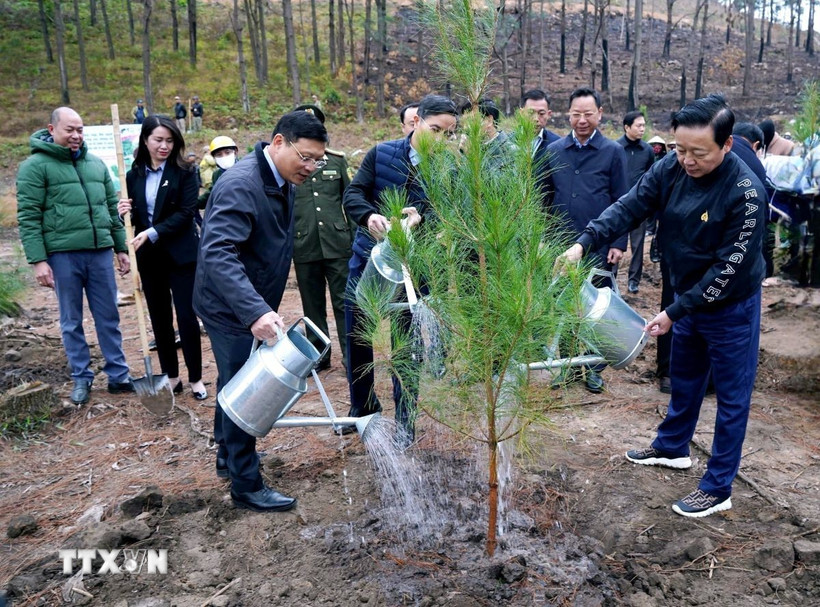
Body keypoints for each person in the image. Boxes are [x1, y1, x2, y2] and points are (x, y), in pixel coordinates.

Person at [561, 94, 766, 518]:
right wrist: (585, 243)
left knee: (731, 396)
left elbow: (726, 271)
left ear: (726, 145)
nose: (687, 160)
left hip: (730, 305)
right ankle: (673, 446)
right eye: (680, 149)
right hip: (684, 290)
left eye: (699, 153)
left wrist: (674, 311)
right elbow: (631, 205)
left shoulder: (746, 194)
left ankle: (718, 485)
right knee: (683, 375)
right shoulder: (672, 166)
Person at [194, 111, 328, 513]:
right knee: (245, 390)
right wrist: (254, 311)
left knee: (232, 379)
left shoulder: (280, 177)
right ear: (278, 143)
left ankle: (227, 458)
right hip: (229, 306)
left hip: (247, 299)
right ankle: (245, 483)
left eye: (318, 160)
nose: (311, 167)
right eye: (305, 157)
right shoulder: (242, 183)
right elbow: (217, 251)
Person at [342, 94, 459, 443]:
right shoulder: (381, 154)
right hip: (368, 260)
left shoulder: (447, 168)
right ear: (417, 121)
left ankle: (406, 422)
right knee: (357, 339)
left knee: (406, 347)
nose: (440, 139)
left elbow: (450, 215)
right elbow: (353, 195)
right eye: (435, 129)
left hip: (414, 270)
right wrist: (369, 216)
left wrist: (426, 220)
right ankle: (362, 411)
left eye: (448, 134)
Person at [16, 107, 134, 405]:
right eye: (69, 129)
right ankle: (81, 378)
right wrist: (38, 260)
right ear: (51, 129)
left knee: (108, 316)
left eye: (80, 130)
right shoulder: (35, 167)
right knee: (71, 320)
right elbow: (28, 217)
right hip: (62, 255)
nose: (76, 135)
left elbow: (110, 210)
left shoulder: (95, 165)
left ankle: (118, 375)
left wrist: (120, 247)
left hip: (99, 254)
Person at [543, 87, 629, 393]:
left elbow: (623, 201)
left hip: (599, 245)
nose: (582, 120)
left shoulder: (612, 152)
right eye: (576, 114)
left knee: (598, 310)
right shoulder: (554, 151)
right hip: (561, 244)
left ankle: (593, 367)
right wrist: (543, 240)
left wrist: (618, 242)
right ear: (568, 115)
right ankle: (566, 365)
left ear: (600, 114)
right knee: (566, 308)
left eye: (588, 114)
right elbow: (543, 199)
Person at [117, 115, 206, 401]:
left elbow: (185, 212)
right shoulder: (133, 175)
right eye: (158, 140)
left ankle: (196, 377)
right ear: (145, 140)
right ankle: (172, 376)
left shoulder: (186, 171)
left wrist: (153, 232)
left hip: (181, 256)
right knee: (160, 318)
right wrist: (122, 213)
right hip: (150, 258)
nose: (164, 146)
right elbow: (134, 220)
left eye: (169, 141)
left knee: (187, 318)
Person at [292, 104, 355, 371]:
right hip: (303, 243)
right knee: (312, 305)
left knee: (345, 302)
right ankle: (319, 355)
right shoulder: (289, 165)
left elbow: (350, 201)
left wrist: (355, 238)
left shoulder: (336, 160)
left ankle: (351, 356)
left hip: (338, 243)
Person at [617, 111, 655, 294]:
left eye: (643, 125)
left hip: (639, 205)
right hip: (617, 204)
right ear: (627, 127)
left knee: (638, 244)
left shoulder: (647, 150)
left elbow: (650, 177)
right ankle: (612, 276)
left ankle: (634, 280)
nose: (642, 129)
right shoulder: (615, 148)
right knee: (614, 241)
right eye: (638, 125)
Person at [197, 136, 239, 209]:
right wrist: (190, 203)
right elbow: (211, 195)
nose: (224, 157)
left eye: (227, 152)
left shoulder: (247, 169)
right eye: (219, 155)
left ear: (235, 152)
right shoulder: (217, 174)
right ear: (214, 158)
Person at [521, 89, 561, 156]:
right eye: (530, 113)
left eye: (541, 113)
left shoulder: (557, 144)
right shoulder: (507, 142)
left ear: (549, 114)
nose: (536, 119)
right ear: (521, 113)